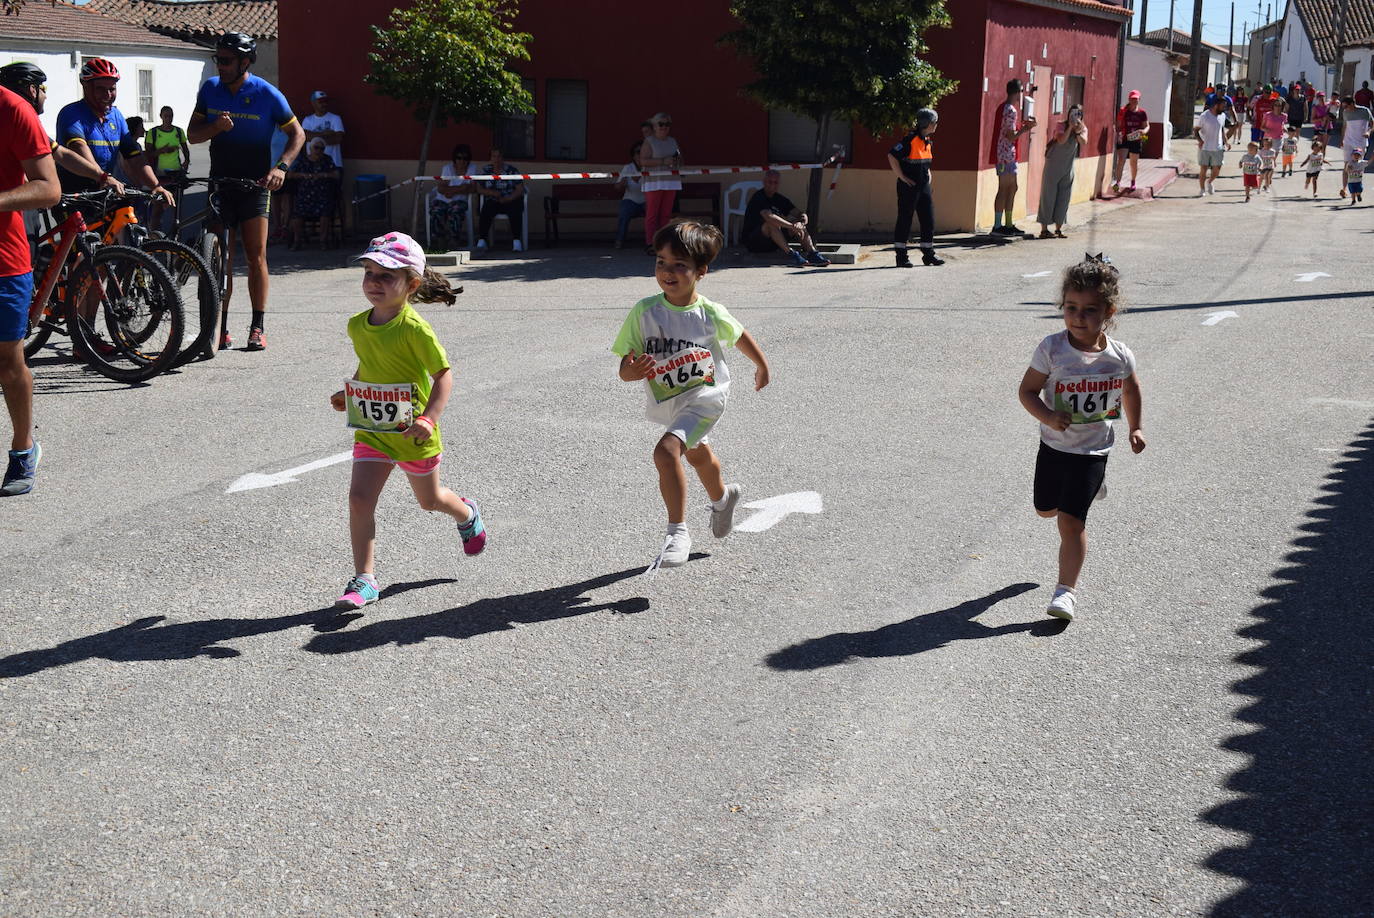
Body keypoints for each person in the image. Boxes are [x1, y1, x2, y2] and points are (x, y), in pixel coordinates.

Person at [328, 231, 483, 609]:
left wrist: (429, 419)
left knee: (430, 501)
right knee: (359, 499)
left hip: (413, 433)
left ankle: (466, 512)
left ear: (411, 284)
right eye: (369, 272)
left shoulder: (414, 329)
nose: (374, 283)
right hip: (374, 430)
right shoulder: (357, 325)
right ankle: (365, 579)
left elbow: (443, 375)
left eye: (386, 275)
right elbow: (370, 366)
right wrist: (350, 392)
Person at [611, 220, 770, 569]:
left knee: (666, 453)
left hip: (706, 397)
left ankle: (677, 533)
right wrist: (630, 371)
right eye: (661, 262)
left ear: (701, 271)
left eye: (679, 265)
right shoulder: (644, 312)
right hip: (669, 401)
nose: (668, 271)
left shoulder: (708, 312)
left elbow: (738, 334)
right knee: (697, 455)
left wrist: (761, 364)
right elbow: (625, 365)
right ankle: (723, 498)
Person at [1016, 254, 1145, 621]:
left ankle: (1065, 592)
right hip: (1054, 447)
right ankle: (1085, 491)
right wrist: (1048, 416)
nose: (1078, 317)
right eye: (1071, 307)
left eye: (1089, 310)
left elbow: (1132, 390)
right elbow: (1027, 392)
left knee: (1071, 523)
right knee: (1045, 510)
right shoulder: (1052, 349)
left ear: (1109, 311)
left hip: (1093, 450)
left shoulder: (1119, 356)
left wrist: (1136, 427)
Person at [188, 32, 304, 352]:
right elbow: (192, 134)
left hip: (255, 186)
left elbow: (297, 134)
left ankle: (257, 327)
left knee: (256, 258)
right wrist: (215, 128)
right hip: (220, 184)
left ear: (245, 62)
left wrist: (281, 167)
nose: (220, 66)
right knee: (219, 258)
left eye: (226, 61)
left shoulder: (267, 94)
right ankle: (219, 327)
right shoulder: (210, 90)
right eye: (218, 60)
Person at [0, 83, 61, 497]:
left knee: (8, 360)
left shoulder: (12, 109)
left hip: (3, 262)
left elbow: (48, 188)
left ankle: (24, 449)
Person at [54, 58, 170, 206]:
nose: (108, 95)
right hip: (74, 195)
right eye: (100, 89)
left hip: (106, 189)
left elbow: (134, 156)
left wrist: (156, 186)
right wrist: (103, 177)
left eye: (112, 89)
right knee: (84, 230)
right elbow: (79, 148)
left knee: (126, 224)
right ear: (85, 87)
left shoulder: (116, 116)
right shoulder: (72, 114)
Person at [0, 62, 125, 196]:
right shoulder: (24, 121)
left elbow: (61, 154)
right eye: (43, 88)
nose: (45, 96)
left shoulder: (11, 121)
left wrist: (103, 177)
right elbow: (70, 152)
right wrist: (103, 177)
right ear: (32, 90)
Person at [740, 169, 830, 267]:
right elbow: (769, 217)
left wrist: (801, 223)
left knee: (796, 223)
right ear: (764, 182)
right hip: (755, 242)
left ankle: (813, 254)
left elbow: (800, 213)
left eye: (775, 182)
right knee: (771, 224)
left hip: (774, 242)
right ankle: (792, 255)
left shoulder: (779, 199)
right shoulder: (758, 197)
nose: (772, 185)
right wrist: (791, 226)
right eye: (770, 182)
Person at [888, 108, 944, 265]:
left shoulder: (927, 141)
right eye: (934, 122)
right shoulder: (910, 140)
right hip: (909, 187)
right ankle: (901, 257)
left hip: (923, 187)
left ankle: (928, 254)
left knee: (928, 220)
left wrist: (929, 176)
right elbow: (892, 155)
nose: (936, 125)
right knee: (905, 220)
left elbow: (924, 164)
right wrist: (902, 177)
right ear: (928, 124)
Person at [993, 80, 1035, 234]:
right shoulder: (1011, 110)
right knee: (1004, 189)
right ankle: (998, 226)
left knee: (1012, 187)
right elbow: (1010, 136)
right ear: (1017, 92)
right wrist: (1026, 129)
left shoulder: (1004, 108)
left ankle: (1008, 224)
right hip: (1005, 154)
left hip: (1007, 153)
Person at [1038, 103, 1086, 238]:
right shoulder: (1061, 125)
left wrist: (1077, 130)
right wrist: (1070, 127)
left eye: (1078, 114)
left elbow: (1084, 142)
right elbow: (1061, 141)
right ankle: (1044, 229)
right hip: (1053, 165)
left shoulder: (1082, 128)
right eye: (1073, 113)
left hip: (1067, 167)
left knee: (1064, 198)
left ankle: (1058, 228)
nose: (1076, 116)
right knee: (1048, 196)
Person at [640, 113, 682, 252]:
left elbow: (680, 158)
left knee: (666, 214)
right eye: (661, 124)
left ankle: (664, 243)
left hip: (670, 181)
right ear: (654, 126)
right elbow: (643, 161)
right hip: (654, 181)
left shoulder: (672, 141)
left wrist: (677, 161)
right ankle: (650, 243)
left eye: (667, 124)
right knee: (652, 214)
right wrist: (663, 161)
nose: (664, 127)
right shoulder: (649, 141)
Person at [288, 137, 340, 248]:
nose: (319, 151)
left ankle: (323, 241)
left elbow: (336, 175)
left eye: (322, 148)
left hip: (322, 195)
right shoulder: (302, 160)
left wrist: (323, 175)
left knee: (325, 211)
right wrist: (303, 175)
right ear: (310, 148)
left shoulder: (327, 160)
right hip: (305, 195)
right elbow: (290, 175)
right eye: (316, 148)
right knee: (297, 212)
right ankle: (297, 241)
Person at [474, 146, 525, 253]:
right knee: (486, 208)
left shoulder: (512, 171)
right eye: (494, 156)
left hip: (510, 200)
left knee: (516, 209)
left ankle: (516, 241)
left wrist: (508, 198)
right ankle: (482, 240)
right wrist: (492, 193)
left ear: (502, 158)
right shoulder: (486, 170)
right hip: (493, 200)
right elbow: (479, 188)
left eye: (499, 156)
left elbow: (520, 189)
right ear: (490, 158)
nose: (496, 159)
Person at [147, 105, 189, 232]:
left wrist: (187, 160)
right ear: (161, 116)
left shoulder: (178, 131)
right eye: (166, 116)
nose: (169, 119)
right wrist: (162, 151)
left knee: (177, 208)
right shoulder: (153, 133)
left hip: (176, 174)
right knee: (158, 208)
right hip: (159, 175)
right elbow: (148, 154)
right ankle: (154, 234)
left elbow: (185, 148)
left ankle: (175, 235)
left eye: (171, 116)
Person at [429, 143, 472, 250]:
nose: (462, 161)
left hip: (459, 201)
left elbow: (471, 188)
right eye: (459, 158)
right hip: (442, 199)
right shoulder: (447, 168)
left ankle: (454, 240)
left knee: (455, 211)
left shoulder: (472, 169)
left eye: (465, 158)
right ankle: (439, 240)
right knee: (436, 210)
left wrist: (452, 191)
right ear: (454, 158)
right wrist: (460, 188)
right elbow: (441, 188)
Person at [1111, 89, 1149, 193]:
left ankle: (1133, 181)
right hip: (1124, 139)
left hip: (1136, 139)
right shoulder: (1123, 111)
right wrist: (1119, 133)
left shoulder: (1142, 113)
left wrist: (1144, 131)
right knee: (1121, 160)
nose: (1134, 101)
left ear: (1139, 99)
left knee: (1133, 162)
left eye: (1136, 99)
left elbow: (1146, 126)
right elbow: (1118, 125)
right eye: (1132, 99)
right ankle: (1118, 183)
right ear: (1129, 99)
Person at [612, 140, 645, 249]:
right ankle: (620, 240)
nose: (640, 154)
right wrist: (622, 184)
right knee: (624, 212)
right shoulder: (628, 168)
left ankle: (653, 241)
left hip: (647, 200)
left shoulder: (651, 167)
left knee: (655, 213)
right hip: (631, 200)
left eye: (643, 151)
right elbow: (616, 187)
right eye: (638, 152)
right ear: (633, 155)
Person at [1194, 95, 1229, 196]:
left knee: (1217, 169)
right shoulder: (1205, 116)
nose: (1224, 108)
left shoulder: (1222, 116)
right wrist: (1200, 141)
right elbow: (1196, 129)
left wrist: (1226, 141)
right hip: (1205, 147)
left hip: (1218, 147)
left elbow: (1221, 128)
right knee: (1203, 168)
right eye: (1223, 106)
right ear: (1215, 105)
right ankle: (1202, 189)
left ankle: (1209, 182)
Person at [301, 90, 344, 169]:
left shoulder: (335, 118)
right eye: (320, 102)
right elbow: (305, 137)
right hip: (312, 164)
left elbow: (338, 139)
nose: (324, 104)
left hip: (334, 164)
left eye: (325, 101)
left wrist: (314, 140)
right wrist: (324, 134)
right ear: (313, 103)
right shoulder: (307, 120)